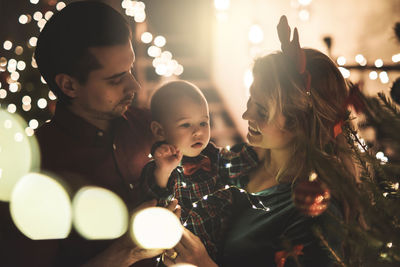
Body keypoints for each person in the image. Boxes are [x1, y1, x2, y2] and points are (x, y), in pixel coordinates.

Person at [161, 16, 358, 267]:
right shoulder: (240, 162)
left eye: (262, 111)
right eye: (251, 100)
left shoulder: (315, 210)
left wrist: (202, 264)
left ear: (299, 124)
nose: (246, 115)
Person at [0, 1, 171, 266]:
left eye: (131, 69)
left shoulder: (150, 126)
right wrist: (127, 250)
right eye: (116, 79)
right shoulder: (37, 171)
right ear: (69, 85)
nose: (134, 85)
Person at [140, 80, 259, 261]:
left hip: (225, 246)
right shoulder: (158, 168)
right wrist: (164, 170)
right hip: (182, 255)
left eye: (204, 123)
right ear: (159, 131)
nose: (198, 132)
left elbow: (239, 162)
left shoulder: (214, 157)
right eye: (186, 125)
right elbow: (157, 202)